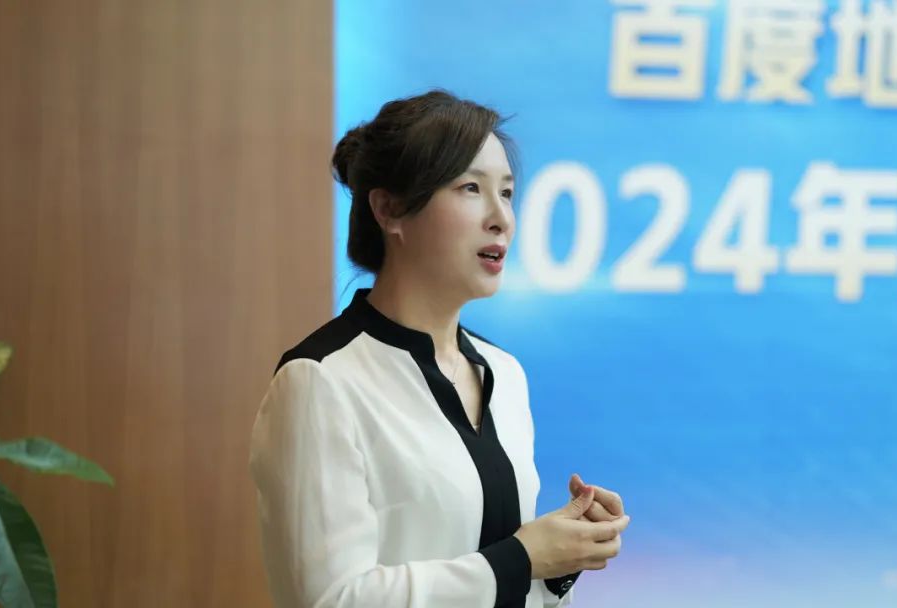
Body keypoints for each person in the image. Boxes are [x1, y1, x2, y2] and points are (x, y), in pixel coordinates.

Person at [249, 89, 630, 608]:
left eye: (507, 192)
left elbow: (497, 575)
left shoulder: (504, 373)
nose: (501, 218)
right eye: (471, 188)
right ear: (389, 209)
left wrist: (559, 561)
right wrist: (522, 559)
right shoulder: (319, 381)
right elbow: (331, 599)